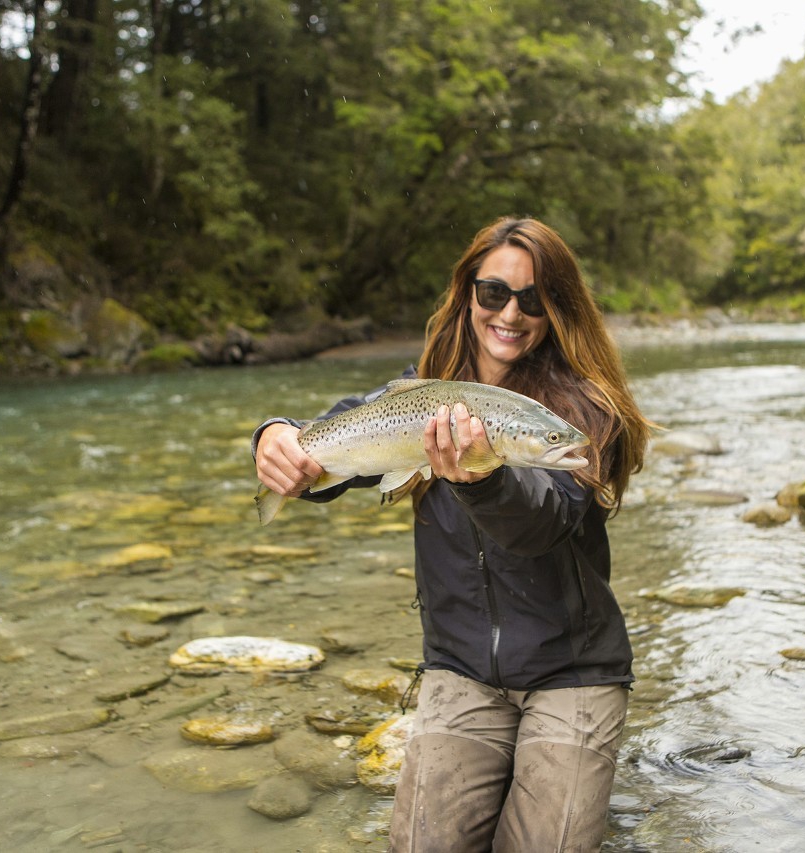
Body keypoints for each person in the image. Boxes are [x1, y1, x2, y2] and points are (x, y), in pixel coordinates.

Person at [252, 216, 651, 851]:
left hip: (573, 673)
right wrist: (275, 435)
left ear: (559, 308)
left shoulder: (583, 412)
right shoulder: (422, 394)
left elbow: (543, 522)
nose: (511, 314)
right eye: (494, 292)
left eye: (533, 298)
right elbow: (330, 432)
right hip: (461, 670)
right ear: (469, 294)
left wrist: (477, 478)